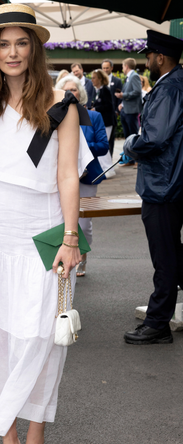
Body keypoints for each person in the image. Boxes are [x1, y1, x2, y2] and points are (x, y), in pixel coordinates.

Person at [0, 4, 92, 442]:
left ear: (34, 49)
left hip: (42, 237)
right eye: (3, 44)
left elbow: (68, 175)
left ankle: (35, 434)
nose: (12, 52)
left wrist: (70, 238)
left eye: (21, 43)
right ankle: (7, 434)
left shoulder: (58, 105)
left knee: (39, 340)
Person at [122, 30, 183, 345]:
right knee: (173, 254)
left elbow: (153, 138)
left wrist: (131, 143)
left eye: (148, 56)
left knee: (165, 257)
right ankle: (159, 319)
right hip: (173, 180)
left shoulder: (170, 88)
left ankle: (158, 323)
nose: (147, 62)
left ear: (160, 57)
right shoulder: (177, 84)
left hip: (163, 184)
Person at [56, 75, 109, 277]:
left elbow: (104, 146)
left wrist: (80, 148)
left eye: (75, 89)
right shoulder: (56, 115)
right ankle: (65, 255)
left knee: (84, 224)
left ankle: (83, 255)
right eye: (67, 90)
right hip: (62, 177)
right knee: (64, 221)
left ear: (81, 93)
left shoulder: (94, 117)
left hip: (88, 177)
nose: (71, 93)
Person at [115, 58, 142, 166]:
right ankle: (130, 159)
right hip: (126, 110)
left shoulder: (134, 76)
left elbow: (137, 91)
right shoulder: (129, 77)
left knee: (133, 136)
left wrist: (123, 95)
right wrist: (122, 104)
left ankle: (136, 159)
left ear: (126, 66)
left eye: (122, 66)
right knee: (127, 137)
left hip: (132, 111)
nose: (122, 68)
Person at [91, 69, 116, 178]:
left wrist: (95, 108)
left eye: (94, 78)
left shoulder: (105, 90)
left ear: (100, 79)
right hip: (102, 123)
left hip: (107, 122)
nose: (92, 80)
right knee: (102, 144)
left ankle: (108, 169)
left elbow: (109, 106)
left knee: (103, 145)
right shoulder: (98, 90)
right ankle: (105, 168)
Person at [101, 59, 123, 156]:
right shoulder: (99, 81)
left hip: (112, 115)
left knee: (110, 138)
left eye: (107, 68)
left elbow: (120, 96)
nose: (105, 70)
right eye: (103, 68)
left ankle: (109, 159)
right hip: (100, 114)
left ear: (111, 68)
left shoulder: (117, 81)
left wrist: (117, 110)